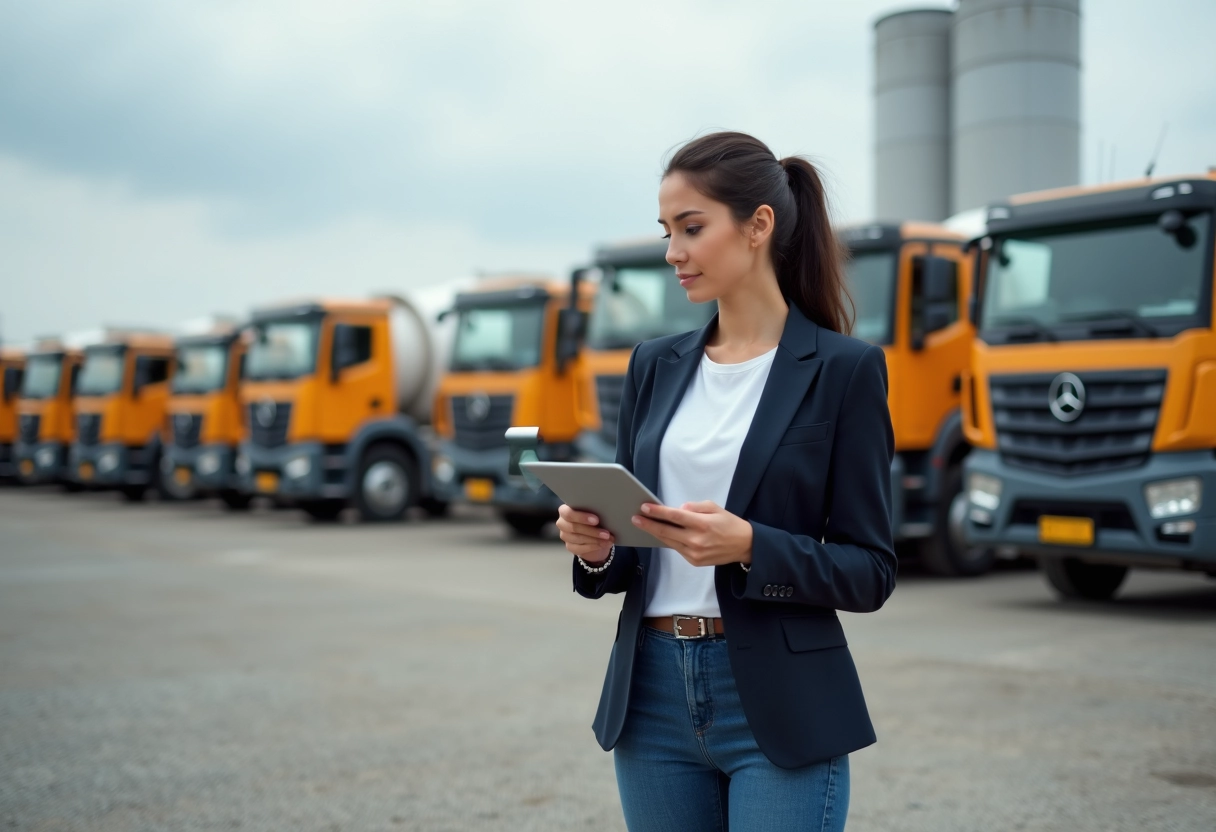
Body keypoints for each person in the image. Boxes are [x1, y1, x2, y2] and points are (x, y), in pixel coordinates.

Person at [556, 131, 897, 832]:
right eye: (666, 231)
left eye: (691, 228)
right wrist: (596, 547)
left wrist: (750, 546)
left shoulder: (844, 370)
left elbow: (870, 571)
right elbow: (633, 552)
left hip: (780, 698)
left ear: (758, 226)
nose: (672, 252)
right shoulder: (654, 364)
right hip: (650, 695)